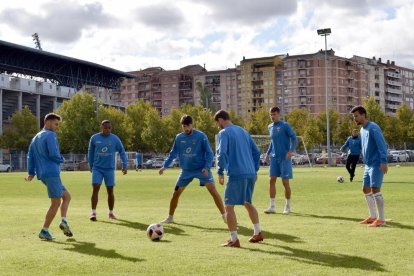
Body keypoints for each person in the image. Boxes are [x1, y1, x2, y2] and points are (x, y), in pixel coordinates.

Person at [159, 115, 226, 224]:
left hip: (201, 169)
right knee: (175, 193)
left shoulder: (201, 136)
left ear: (192, 124)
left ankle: (225, 215)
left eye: (188, 125)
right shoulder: (179, 138)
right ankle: (170, 217)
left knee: (213, 190)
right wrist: (164, 166)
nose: (186, 128)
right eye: (184, 126)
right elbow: (173, 153)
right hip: (186, 171)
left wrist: (206, 167)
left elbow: (209, 153)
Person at [215, 109, 262, 248]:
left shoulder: (223, 133)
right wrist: (255, 169)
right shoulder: (243, 131)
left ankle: (234, 240)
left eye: (217, 123)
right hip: (250, 173)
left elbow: (222, 153)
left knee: (228, 207)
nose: (218, 126)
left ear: (221, 120)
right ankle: (258, 232)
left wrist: (220, 171)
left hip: (237, 174)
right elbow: (256, 151)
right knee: (247, 202)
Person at [26, 113, 73, 240]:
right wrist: (61, 159)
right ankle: (44, 230)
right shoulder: (51, 135)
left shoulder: (35, 138)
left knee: (67, 196)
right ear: (47, 122)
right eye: (56, 124)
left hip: (43, 174)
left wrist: (31, 172)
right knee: (56, 202)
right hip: (52, 173)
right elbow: (53, 154)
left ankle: (64, 221)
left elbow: (30, 156)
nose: (57, 127)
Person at [351, 106, 388, 227]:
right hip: (368, 165)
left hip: (377, 163)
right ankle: (372, 217)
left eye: (356, 116)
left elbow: (382, 145)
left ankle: (381, 219)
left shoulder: (373, 127)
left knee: (375, 189)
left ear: (363, 115)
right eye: (354, 117)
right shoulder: (362, 130)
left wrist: (383, 161)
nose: (355, 119)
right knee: (365, 189)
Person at [88, 120, 127, 221]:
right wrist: (91, 164)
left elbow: (122, 151)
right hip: (97, 168)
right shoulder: (94, 138)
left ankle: (111, 213)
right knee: (95, 188)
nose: (107, 130)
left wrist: (124, 164)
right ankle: (93, 212)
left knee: (110, 191)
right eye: (105, 128)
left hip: (109, 169)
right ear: (101, 127)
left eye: (109, 128)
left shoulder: (115, 139)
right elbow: (90, 152)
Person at [264, 106, 297, 215]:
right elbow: (272, 142)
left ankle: (287, 206)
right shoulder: (270, 127)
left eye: (274, 114)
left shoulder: (285, 125)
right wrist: (268, 154)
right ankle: (272, 206)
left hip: (285, 158)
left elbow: (294, 138)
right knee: (271, 180)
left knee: (285, 182)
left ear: (279, 114)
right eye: (270, 115)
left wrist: (290, 151)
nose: (272, 116)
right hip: (274, 158)